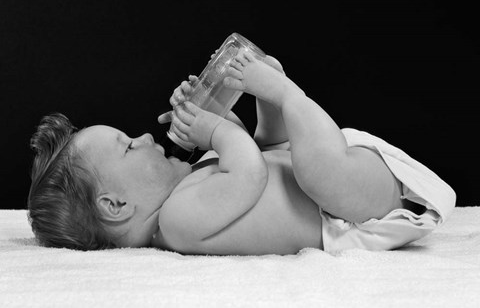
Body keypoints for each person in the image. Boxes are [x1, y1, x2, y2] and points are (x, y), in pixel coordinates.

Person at [28, 51, 456, 254]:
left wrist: (208, 109)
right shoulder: (176, 223)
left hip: (328, 175)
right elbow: (249, 172)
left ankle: (272, 98)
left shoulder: (189, 195)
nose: (140, 137)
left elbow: (245, 152)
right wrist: (212, 129)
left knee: (277, 146)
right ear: (115, 205)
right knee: (315, 171)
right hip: (349, 208)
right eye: (126, 146)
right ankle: (285, 94)